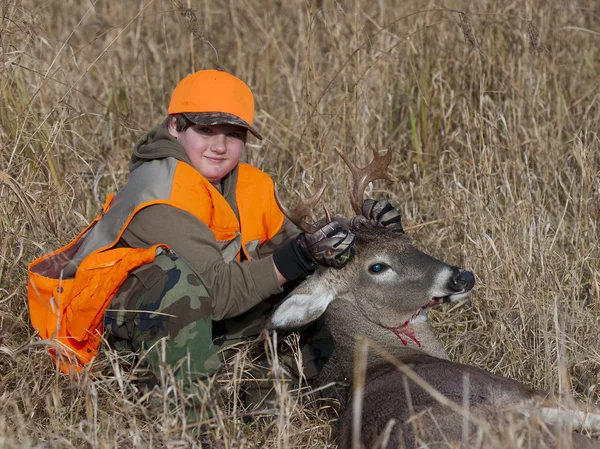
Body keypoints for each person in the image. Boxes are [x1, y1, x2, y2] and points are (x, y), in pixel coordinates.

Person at [27, 69, 357, 383]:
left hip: (201, 316)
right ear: (175, 126)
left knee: (315, 281)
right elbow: (221, 292)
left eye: (233, 134)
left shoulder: (248, 185)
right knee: (176, 280)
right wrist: (299, 256)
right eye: (206, 130)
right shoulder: (159, 193)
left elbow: (292, 245)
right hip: (108, 337)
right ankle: (190, 416)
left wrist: (354, 232)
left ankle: (268, 392)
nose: (220, 146)